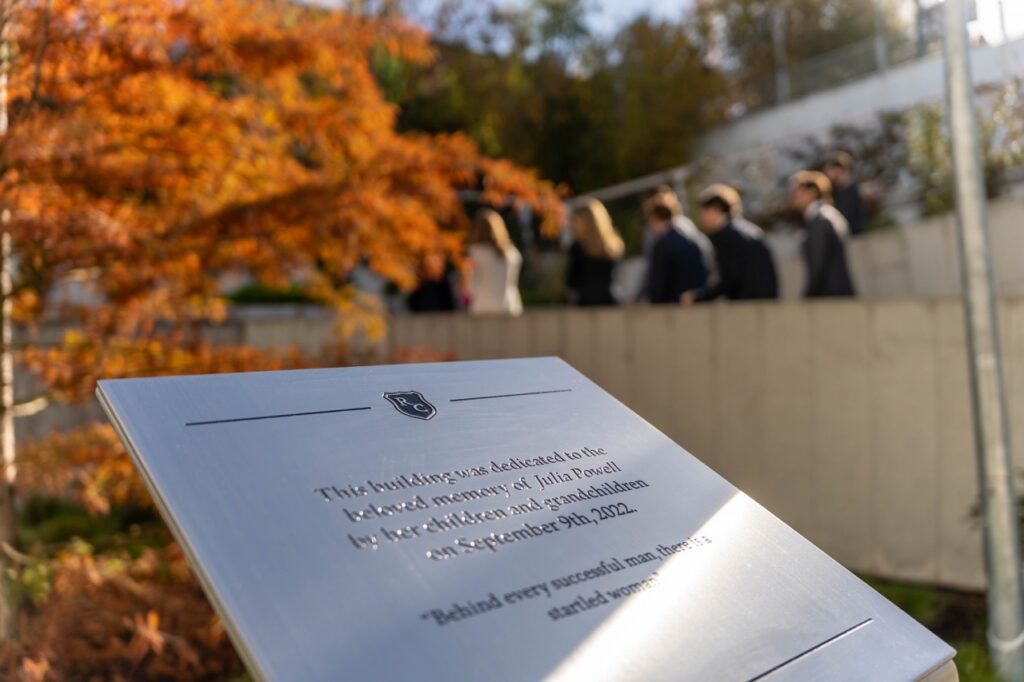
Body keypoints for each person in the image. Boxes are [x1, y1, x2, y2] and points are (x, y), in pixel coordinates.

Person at [684, 184, 778, 303]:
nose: (701, 218)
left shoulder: (726, 236)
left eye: (704, 212)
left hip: (746, 307)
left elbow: (728, 278)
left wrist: (699, 297)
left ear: (715, 209)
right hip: (765, 305)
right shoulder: (749, 230)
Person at [790, 170, 856, 298]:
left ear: (812, 192)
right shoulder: (829, 215)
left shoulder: (819, 220)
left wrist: (808, 297)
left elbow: (818, 265)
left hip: (829, 298)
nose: (793, 197)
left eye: (796, 192)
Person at [645, 200, 708, 304]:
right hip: (695, 301)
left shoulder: (662, 245)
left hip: (672, 306)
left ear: (654, 219)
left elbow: (659, 284)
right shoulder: (691, 238)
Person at [566, 198, 625, 306]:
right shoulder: (613, 245)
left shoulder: (578, 248)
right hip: (610, 301)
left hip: (586, 303)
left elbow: (572, 282)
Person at [467, 209, 523, 315]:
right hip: (510, 306)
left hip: (484, 307)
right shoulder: (512, 253)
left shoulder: (476, 252)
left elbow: (471, 286)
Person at [823, 150, 866, 236]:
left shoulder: (851, 190)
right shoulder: (834, 192)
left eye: (830, 170)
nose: (827, 174)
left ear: (839, 169)